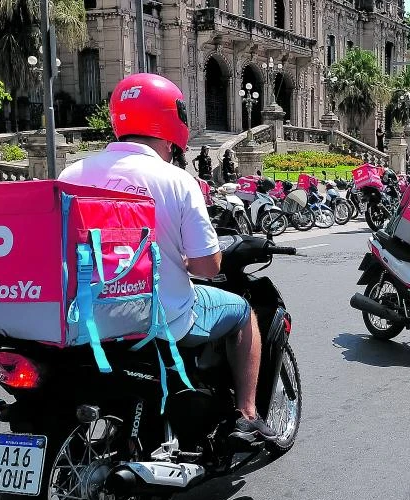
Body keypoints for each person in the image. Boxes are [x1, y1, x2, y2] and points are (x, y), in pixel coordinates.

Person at [58, 73, 275, 442]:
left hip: (85, 316)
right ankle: (247, 413)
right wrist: (186, 263)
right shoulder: (176, 181)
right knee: (242, 312)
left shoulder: (72, 173)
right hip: (161, 315)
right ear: (173, 122)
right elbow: (207, 266)